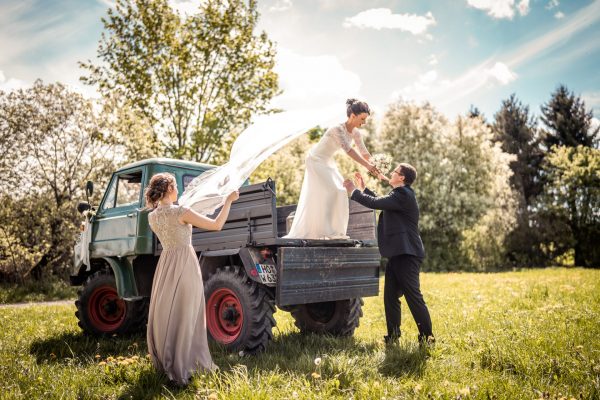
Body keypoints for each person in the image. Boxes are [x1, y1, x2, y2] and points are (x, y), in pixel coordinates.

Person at [144, 172, 239, 385]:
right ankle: (184, 360)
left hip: (166, 264)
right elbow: (216, 225)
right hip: (184, 263)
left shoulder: (152, 217)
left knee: (167, 310)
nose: (178, 190)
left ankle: (168, 357)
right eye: (176, 186)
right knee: (187, 312)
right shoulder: (181, 212)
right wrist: (228, 202)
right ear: (169, 189)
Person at [343, 164, 434, 345]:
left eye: (395, 172)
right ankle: (393, 336)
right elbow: (381, 200)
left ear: (401, 178)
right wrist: (364, 189)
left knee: (413, 296)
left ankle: (428, 337)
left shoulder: (403, 195)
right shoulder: (399, 196)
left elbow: (377, 203)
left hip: (407, 254)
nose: (391, 173)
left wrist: (353, 192)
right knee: (390, 297)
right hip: (398, 254)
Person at [284, 98, 383, 239]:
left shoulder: (356, 133)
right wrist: (367, 166)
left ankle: (338, 231)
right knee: (332, 189)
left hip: (327, 161)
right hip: (315, 160)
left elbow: (364, 153)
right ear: (352, 116)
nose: (364, 123)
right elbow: (349, 150)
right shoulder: (337, 129)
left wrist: (376, 166)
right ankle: (327, 230)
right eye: (362, 119)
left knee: (342, 191)